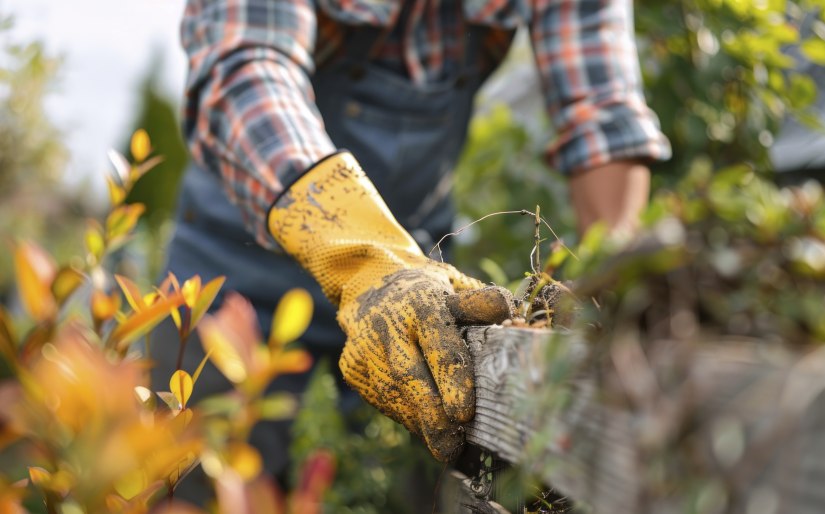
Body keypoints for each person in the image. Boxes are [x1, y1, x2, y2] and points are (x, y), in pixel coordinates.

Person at [154, 0, 671, 501]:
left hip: (414, 272)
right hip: (237, 272)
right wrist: (368, 260)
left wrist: (610, 280)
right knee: (200, 479)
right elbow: (247, 69)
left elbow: (599, 110)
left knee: (428, 474)